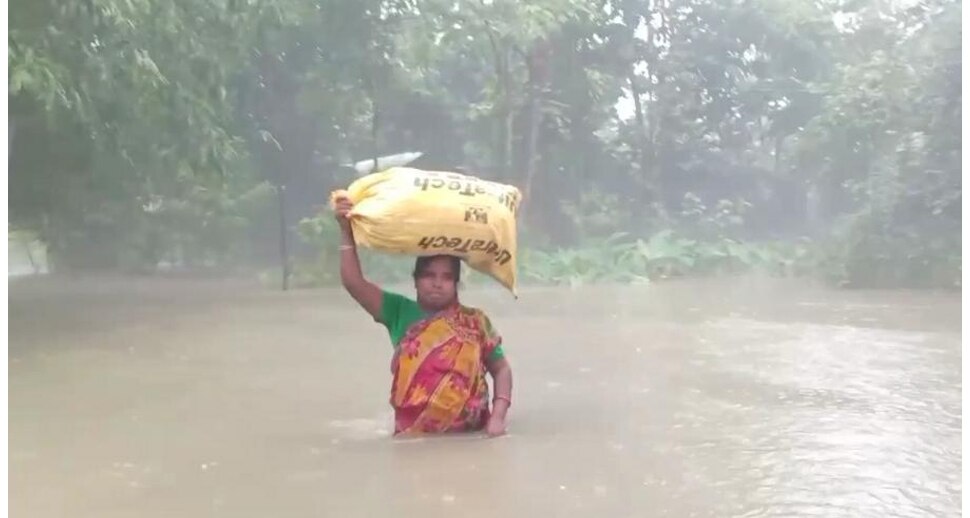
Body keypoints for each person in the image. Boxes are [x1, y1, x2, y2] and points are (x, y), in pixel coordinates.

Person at [332, 195, 514, 437]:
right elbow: (354, 282)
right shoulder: (398, 311)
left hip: (470, 439)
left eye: (447, 277)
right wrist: (346, 231)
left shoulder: (476, 322)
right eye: (429, 275)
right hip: (413, 441)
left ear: (456, 284)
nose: (437, 284)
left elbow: (501, 369)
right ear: (416, 280)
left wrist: (498, 416)